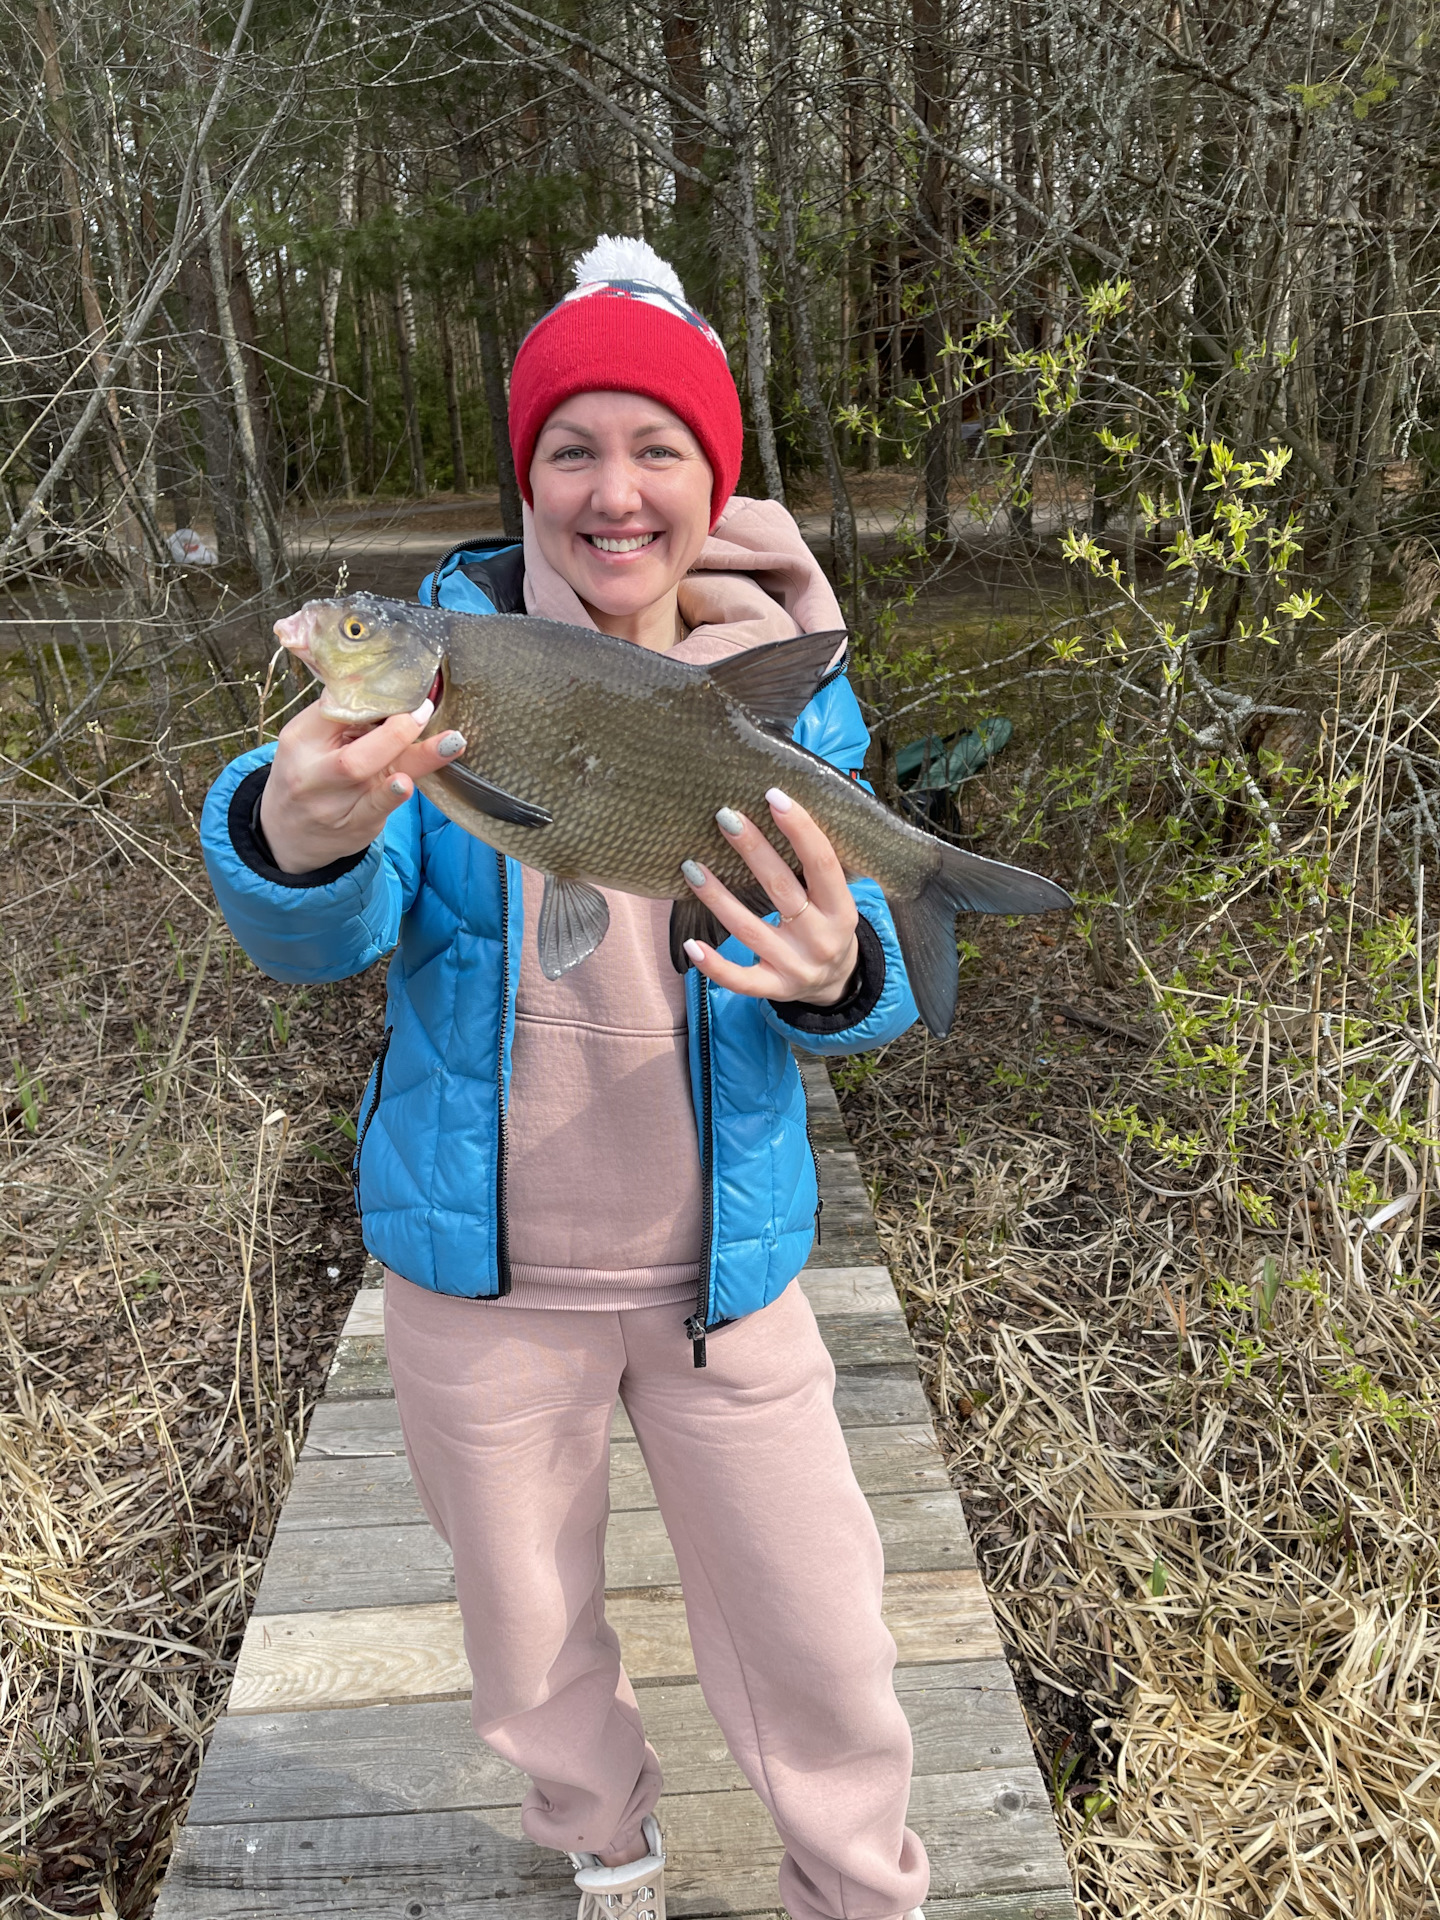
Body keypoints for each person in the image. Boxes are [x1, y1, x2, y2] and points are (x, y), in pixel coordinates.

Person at [202, 237, 930, 1920]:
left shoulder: (785, 698)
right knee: (526, 1635)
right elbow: (322, 924)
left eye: (658, 448)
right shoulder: (439, 673)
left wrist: (843, 973)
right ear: (524, 476)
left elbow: (863, 985)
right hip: (483, 1290)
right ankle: (608, 1845)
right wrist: (291, 833)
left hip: (728, 1279)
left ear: (715, 486)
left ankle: (859, 1888)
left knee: (823, 1633)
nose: (614, 492)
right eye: (571, 449)